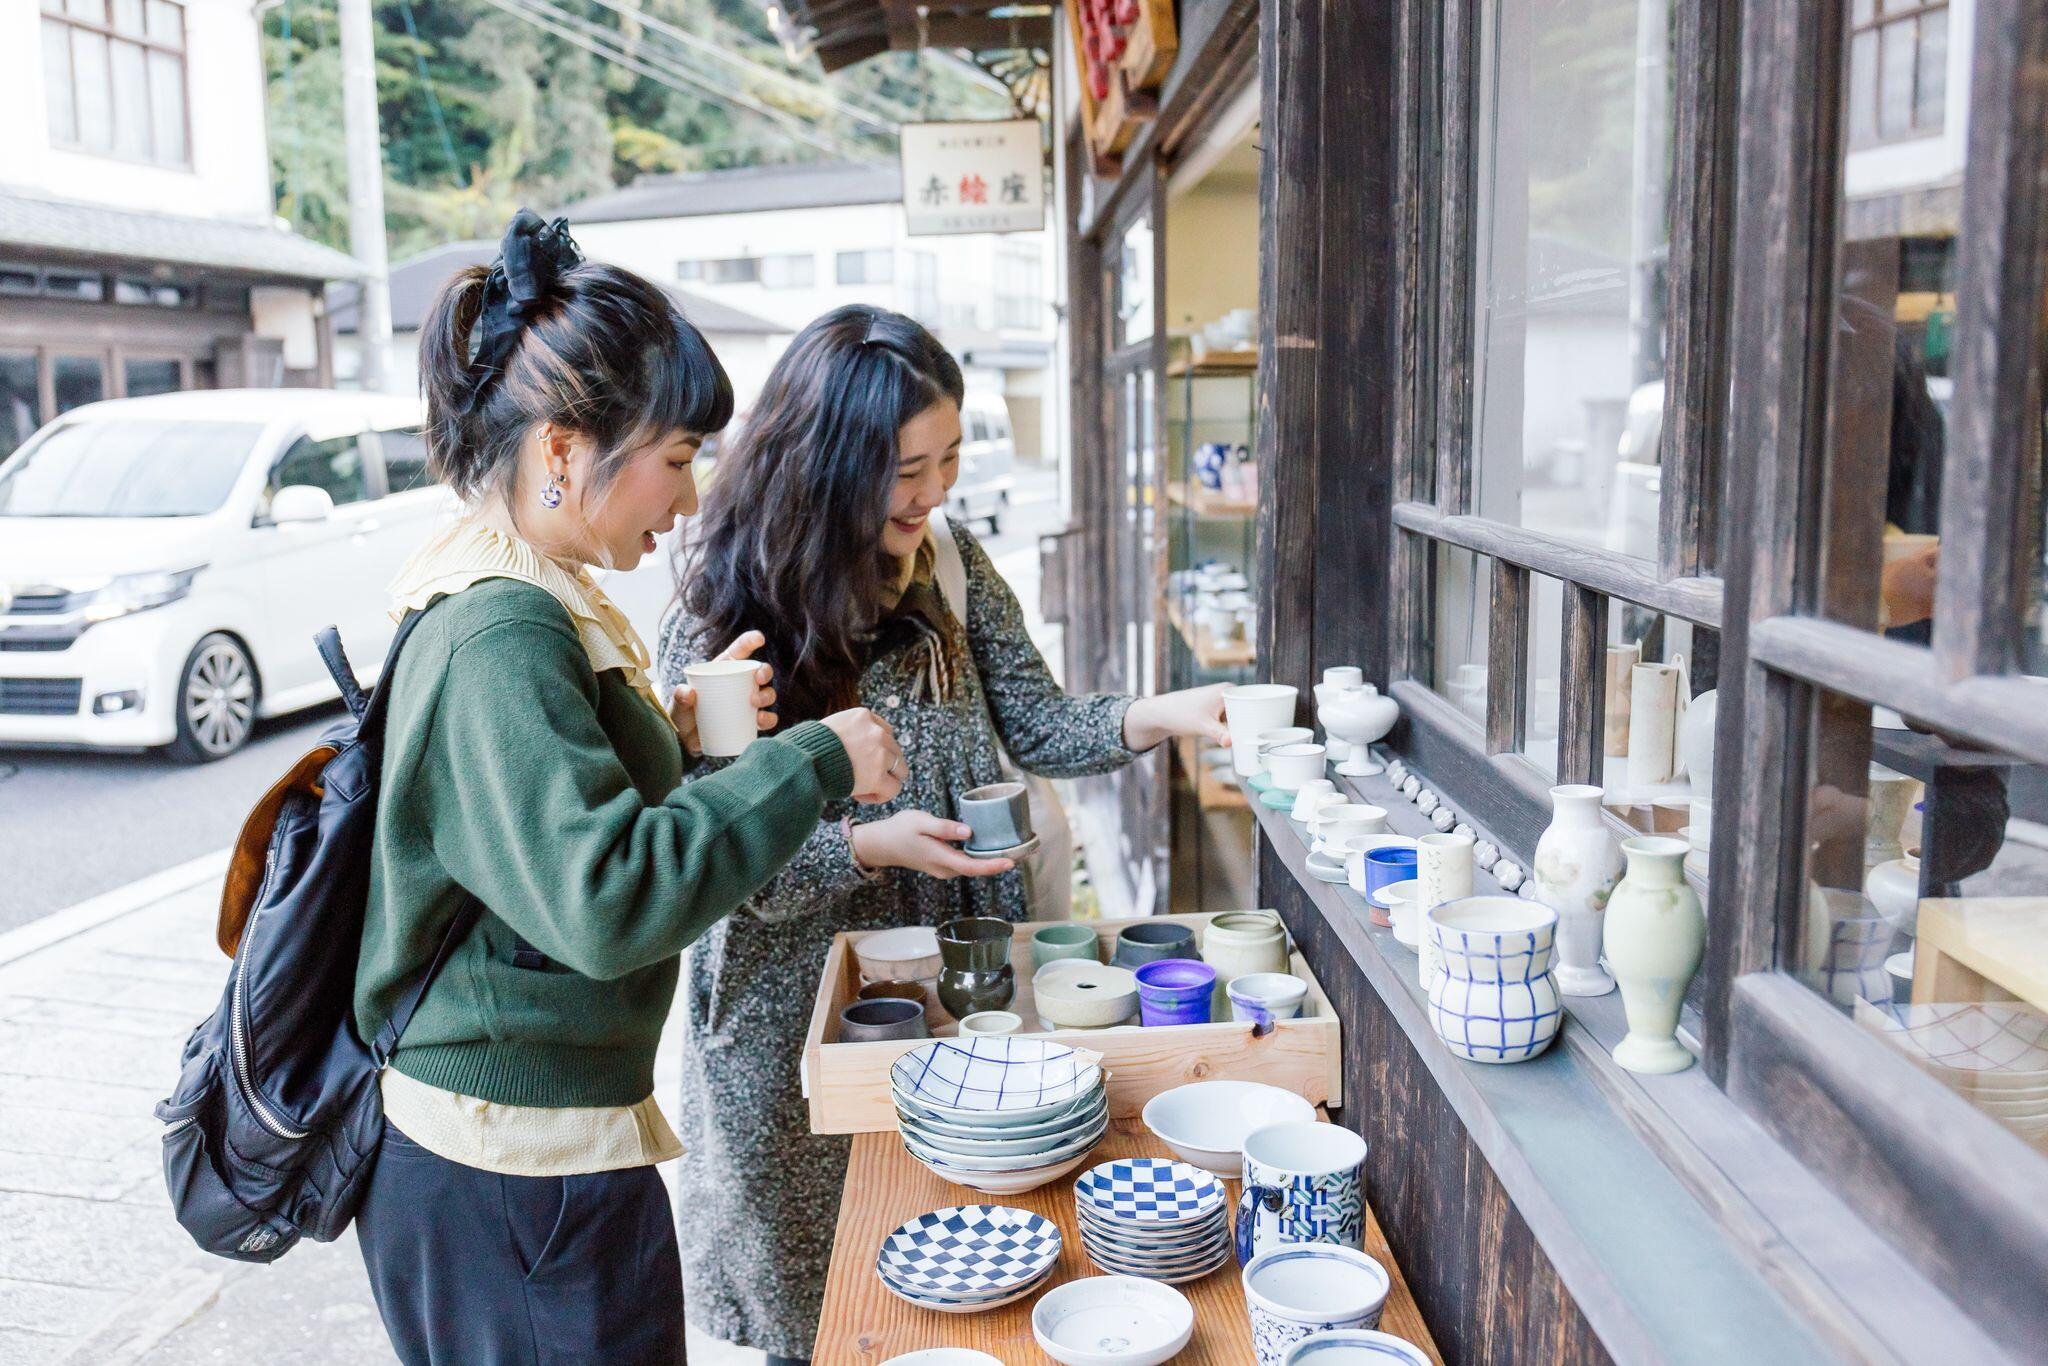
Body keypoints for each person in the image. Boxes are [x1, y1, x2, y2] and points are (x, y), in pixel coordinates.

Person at [350, 213, 904, 1365]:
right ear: (562, 448)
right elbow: (606, 900)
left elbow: (562, 833)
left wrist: (687, 735)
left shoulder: (530, 590)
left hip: (539, 1153)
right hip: (508, 1179)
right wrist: (813, 761)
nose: (692, 495)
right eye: (674, 455)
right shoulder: (499, 631)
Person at [658, 305, 1232, 1362]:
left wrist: (1162, 715)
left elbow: (1041, 720)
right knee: (828, 1320)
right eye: (904, 469)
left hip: (959, 991)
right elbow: (714, 863)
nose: (933, 492)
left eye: (951, 457)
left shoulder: (950, 564)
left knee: (975, 1286)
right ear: (825, 467)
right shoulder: (722, 615)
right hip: (795, 1027)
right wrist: (868, 848)